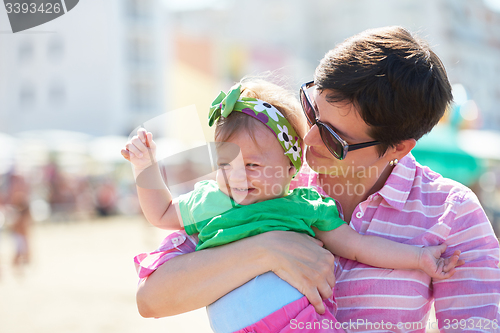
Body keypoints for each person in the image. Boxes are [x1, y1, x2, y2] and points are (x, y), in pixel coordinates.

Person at [133, 26, 500, 333]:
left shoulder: (453, 214)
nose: (308, 140)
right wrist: (267, 248)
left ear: (397, 148)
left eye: (335, 139)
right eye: (312, 111)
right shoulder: (265, 179)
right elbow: (152, 299)